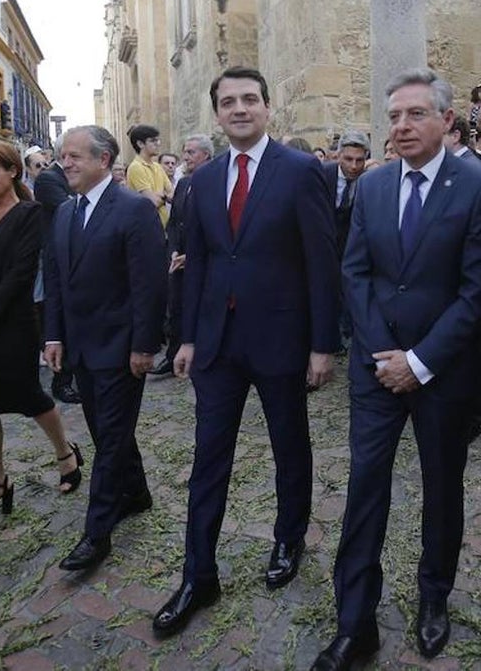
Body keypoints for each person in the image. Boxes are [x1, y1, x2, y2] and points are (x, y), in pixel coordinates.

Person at [311, 69, 481, 671]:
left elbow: (476, 292)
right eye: (393, 116)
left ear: (445, 119)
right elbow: (355, 273)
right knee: (366, 487)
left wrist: (420, 362)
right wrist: (384, 355)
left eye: (415, 114)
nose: (401, 126)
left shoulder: (477, 185)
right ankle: (354, 620)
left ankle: (433, 596)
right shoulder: (374, 185)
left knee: (442, 488)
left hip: (444, 373)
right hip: (375, 369)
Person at [153, 66, 340, 637]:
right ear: (216, 113)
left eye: (250, 99)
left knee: (290, 447)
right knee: (209, 458)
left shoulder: (304, 171)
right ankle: (197, 573)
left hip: (282, 340)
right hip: (216, 346)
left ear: (267, 107)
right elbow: (201, 262)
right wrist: (186, 336)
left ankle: (288, 541)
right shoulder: (202, 181)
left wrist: (322, 344)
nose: (240, 108)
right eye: (229, 101)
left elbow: (321, 262)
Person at [44, 125, 168, 571]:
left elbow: (149, 286)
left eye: (75, 155)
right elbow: (56, 280)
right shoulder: (63, 212)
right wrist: (53, 336)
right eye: (63, 156)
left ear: (104, 159)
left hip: (121, 350)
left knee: (110, 439)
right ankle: (136, 493)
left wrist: (144, 345)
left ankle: (97, 533)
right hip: (80, 348)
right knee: (106, 432)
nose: (66, 163)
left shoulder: (133, 210)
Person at [0, 141, 82, 530]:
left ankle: (65, 454)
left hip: (12, 325)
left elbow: (21, 275)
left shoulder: (30, 214)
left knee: (30, 397)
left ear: (12, 172)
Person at [157, 134, 213, 377]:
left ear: (206, 155)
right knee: (176, 307)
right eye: (185, 151)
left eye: (191, 152)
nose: (186, 157)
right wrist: (173, 251)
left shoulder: (215, 182)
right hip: (178, 260)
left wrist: (193, 256)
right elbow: (175, 222)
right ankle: (172, 356)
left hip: (204, 261)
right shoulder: (182, 184)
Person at [33, 143, 82, 405]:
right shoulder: (48, 179)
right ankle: (61, 382)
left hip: (77, 253)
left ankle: (72, 376)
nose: (75, 162)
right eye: (72, 155)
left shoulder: (71, 178)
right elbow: (71, 207)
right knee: (59, 319)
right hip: (58, 255)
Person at [323, 130, 370, 352]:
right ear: (338, 155)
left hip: (351, 247)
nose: (353, 166)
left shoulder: (370, 182)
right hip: (325, 245)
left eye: (359, 160)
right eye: (348, 159)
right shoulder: (323, 175)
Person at [126, 124, 174, 226]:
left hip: (164, 226)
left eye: (158, 140)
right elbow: (152, 202)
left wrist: (161, 196)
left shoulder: (158, 166)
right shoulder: (136, 167)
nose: (158, 144)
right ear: (140, 144)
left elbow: (173, 195)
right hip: (146, 227)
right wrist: (164, 196)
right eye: (153, 141)